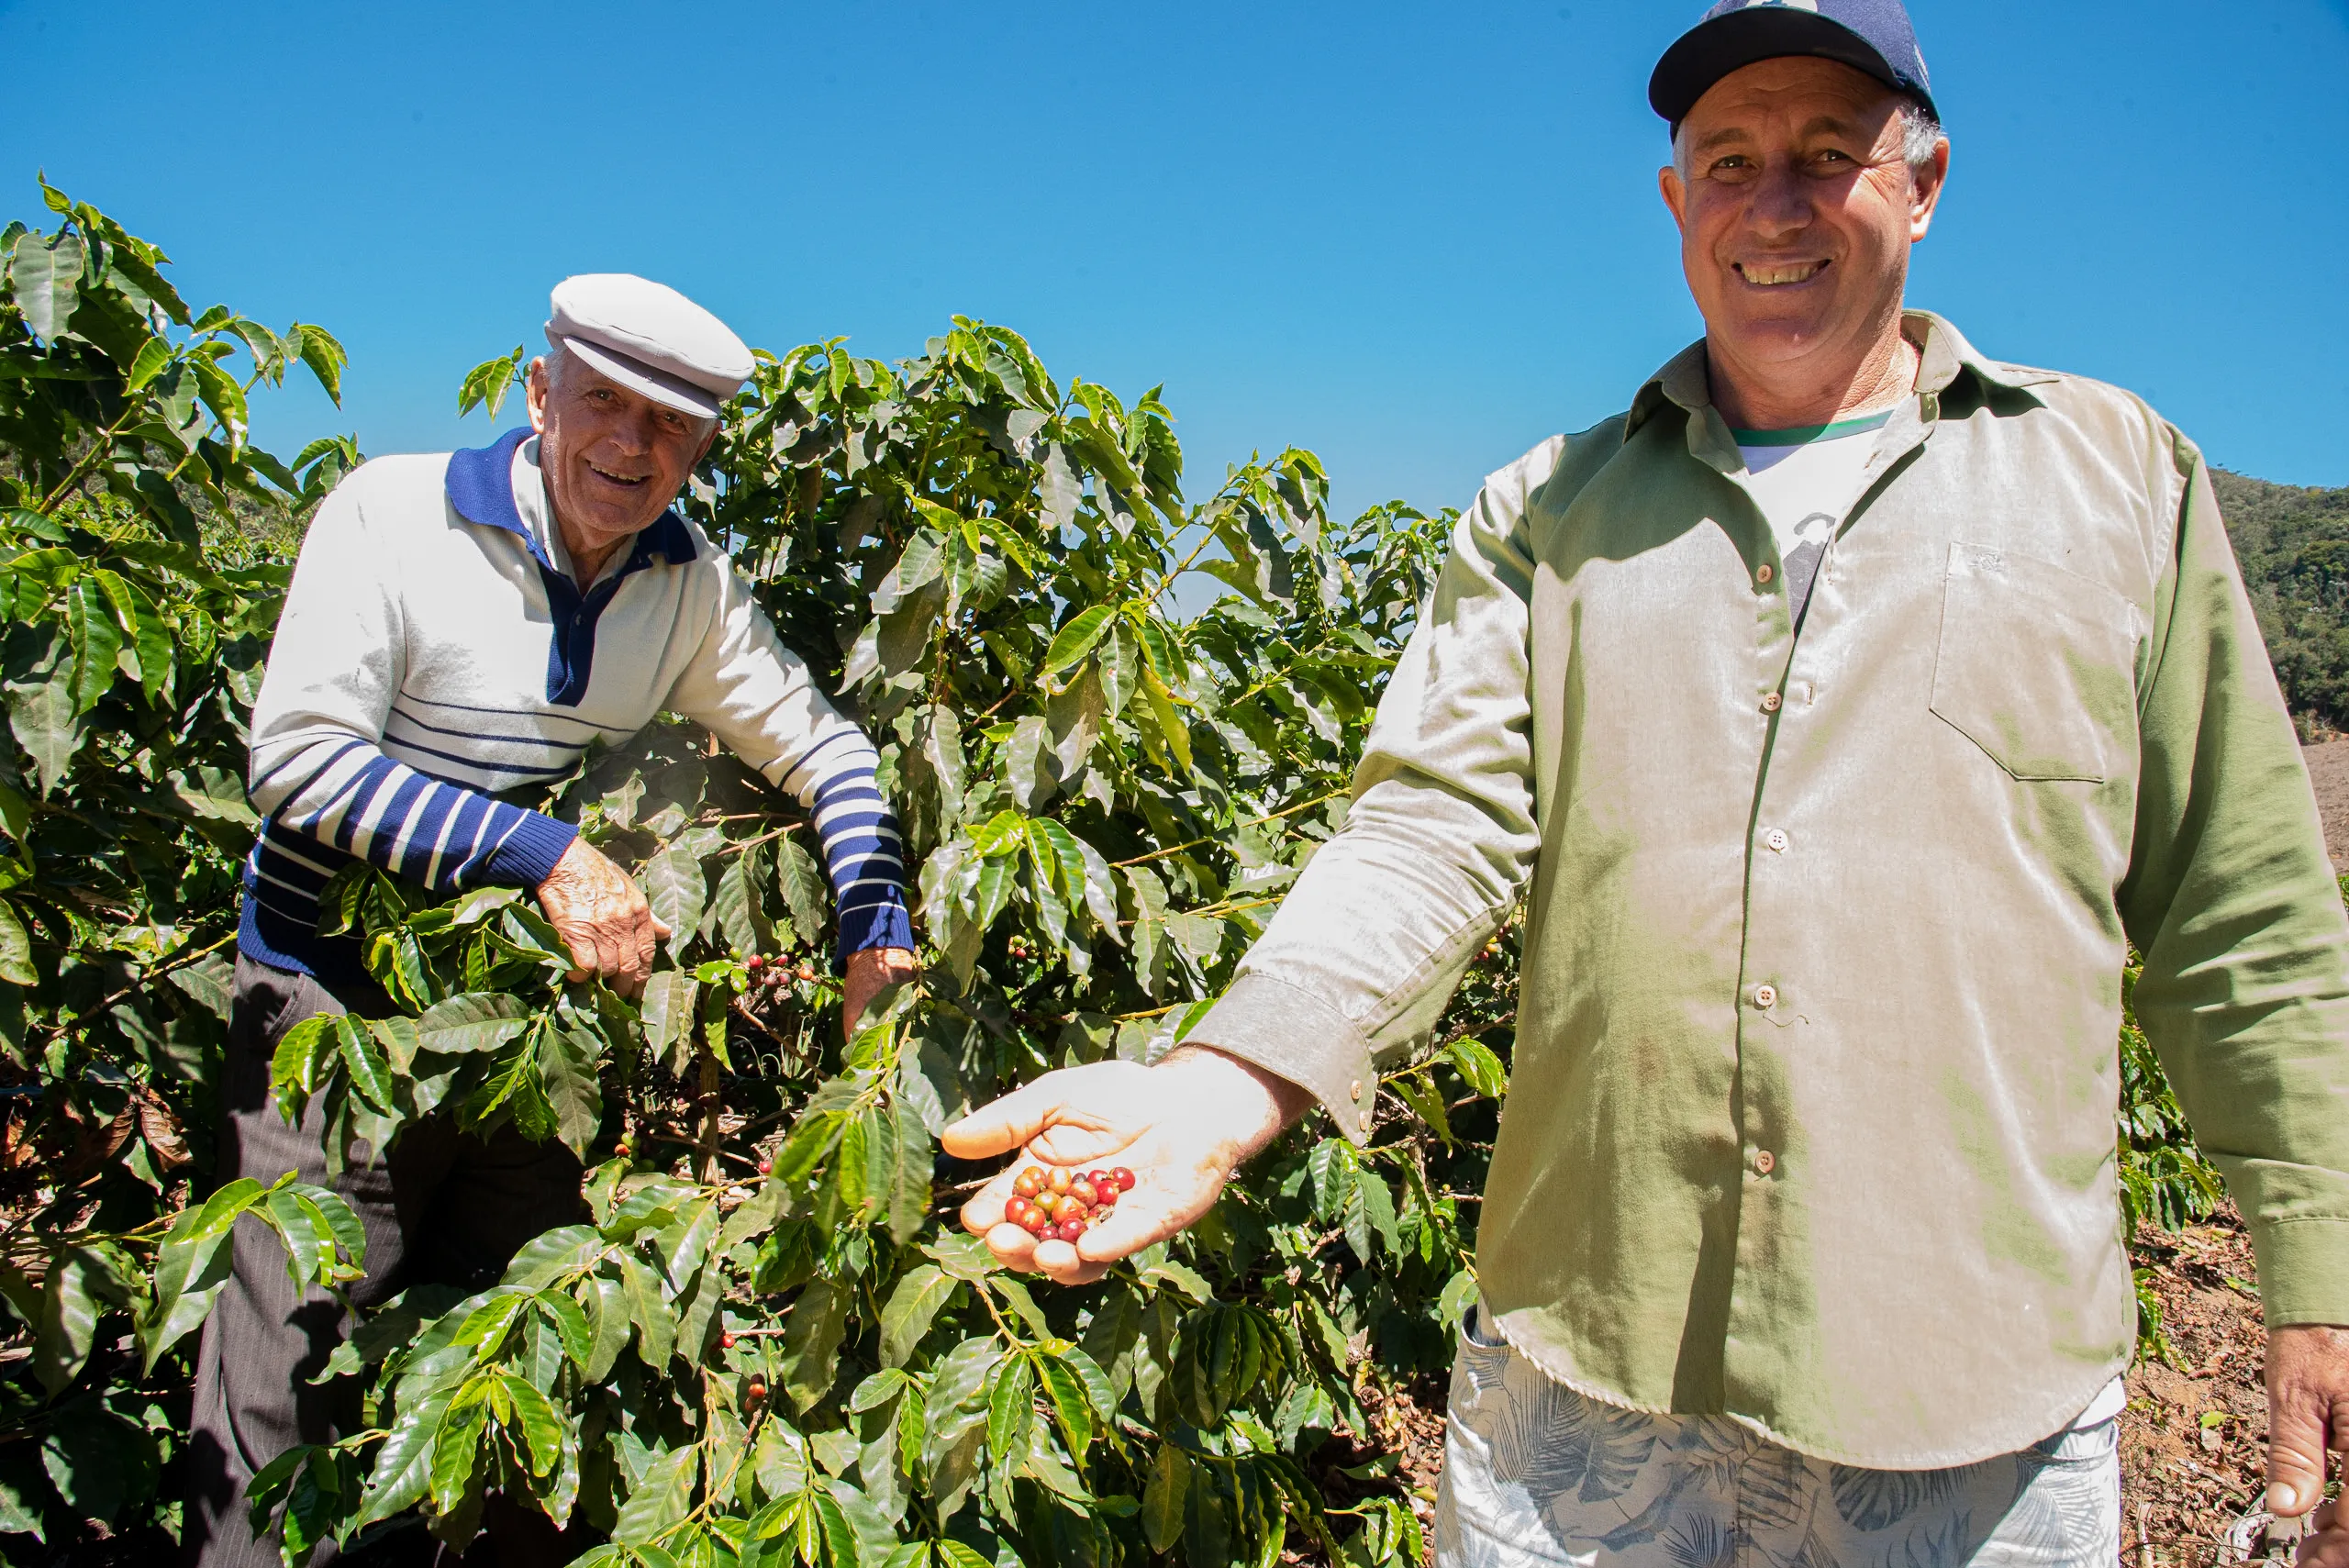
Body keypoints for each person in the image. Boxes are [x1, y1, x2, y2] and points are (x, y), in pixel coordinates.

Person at [940, 3, 2349, 1563]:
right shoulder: (1545, 512)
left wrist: (2323, 1274)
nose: (1777, 204)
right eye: (1729, 160)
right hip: (1584, 1386)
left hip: (1975, 1403)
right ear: (1677, 201)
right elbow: (1432, 826)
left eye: (1831, 153)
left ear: (1926, 179)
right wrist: (1225, 1079)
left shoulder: (2115, 476)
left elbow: (2244, 913)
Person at [185, 274, 920, 1567]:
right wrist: (551, 855)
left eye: (670, 426)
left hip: (523, 1038)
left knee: (512, 1336)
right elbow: (297, 763)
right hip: (329, 1005)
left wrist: (876, 923)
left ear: (701, 449)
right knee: (282, 1380)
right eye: (603, 405)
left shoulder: (684, 584)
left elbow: (826, 752)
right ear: (539, 394)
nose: (631, 447)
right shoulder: (392, 515)